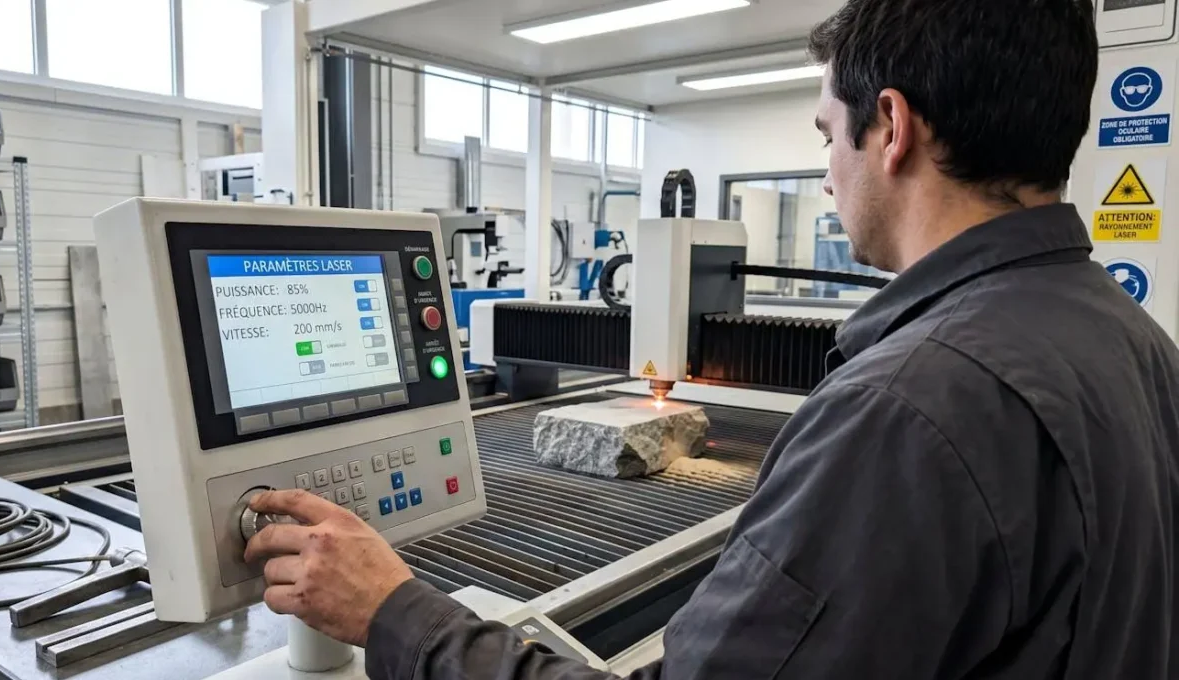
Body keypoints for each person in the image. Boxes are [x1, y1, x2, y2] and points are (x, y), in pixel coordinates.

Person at [243, 0, 1179, 677]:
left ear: (889, 127)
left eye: (825, 137)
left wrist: (397, 614)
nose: (824, 176)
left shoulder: (911, 409)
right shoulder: (1131, 340)